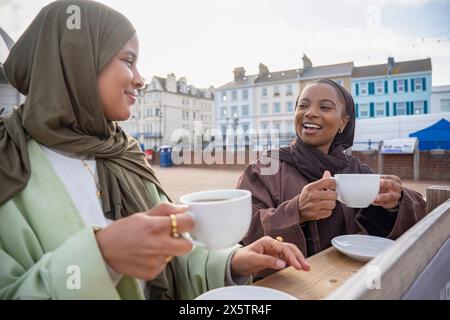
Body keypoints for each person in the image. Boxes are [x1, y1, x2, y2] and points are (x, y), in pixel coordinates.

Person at [0, 0, 310, 300]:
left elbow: (175, 250)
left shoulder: (124, 151)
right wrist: (101, 257)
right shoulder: (8, 163)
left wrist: (232, 261)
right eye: (128, 60)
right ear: (77, 61)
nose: (140, 79)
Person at [237, 78, 426, 268]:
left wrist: (396, 202)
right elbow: (241, 232)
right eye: (303, 106)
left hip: (352, 281)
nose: (310, 113)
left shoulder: (357, 170)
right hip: (288, 286)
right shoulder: (265, 168)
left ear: (344, 121)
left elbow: (420, 216)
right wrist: (296, 211)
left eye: (325, 107)